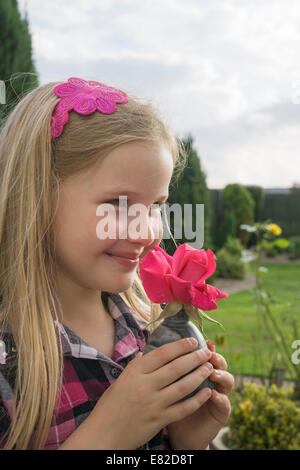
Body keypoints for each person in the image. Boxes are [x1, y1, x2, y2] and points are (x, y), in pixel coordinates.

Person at [0, 76, 234, 450]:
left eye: (156, 205)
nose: (147, 232)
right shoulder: (8, 362)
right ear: (37, 197)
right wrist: (110, 433)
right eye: (119, 204)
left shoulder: (145, 326)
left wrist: (185, 442)